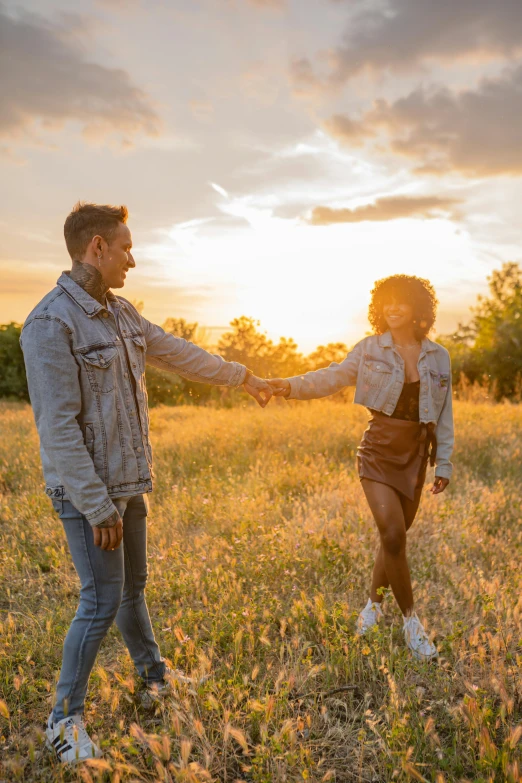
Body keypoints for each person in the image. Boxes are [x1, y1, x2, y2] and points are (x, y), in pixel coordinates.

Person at [20, 202, 272, 763]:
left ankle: (153, 675)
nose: (134, 258)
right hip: (90, 496)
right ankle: (63, 720)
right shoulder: (50, 323)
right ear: (97, 248)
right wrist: (96, 506)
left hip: (129, 483)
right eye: (126, 247)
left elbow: (179, 354)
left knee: (133, 589)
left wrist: (245, 377)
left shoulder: (123, 313)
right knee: (100, 599)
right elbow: (57, 429)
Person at [268, 275, 453, 662]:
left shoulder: (438, 357)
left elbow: (444, 413)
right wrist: (287, 386)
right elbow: (331, 377)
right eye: (386, 301)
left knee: (393, 540)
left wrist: (445, 462)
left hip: (417, 455)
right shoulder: (370, 350)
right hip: (378, 451)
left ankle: (371, 605)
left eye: (401, 302)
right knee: (393, 534)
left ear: (418, 308)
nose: (393, 308)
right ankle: (412, 625)